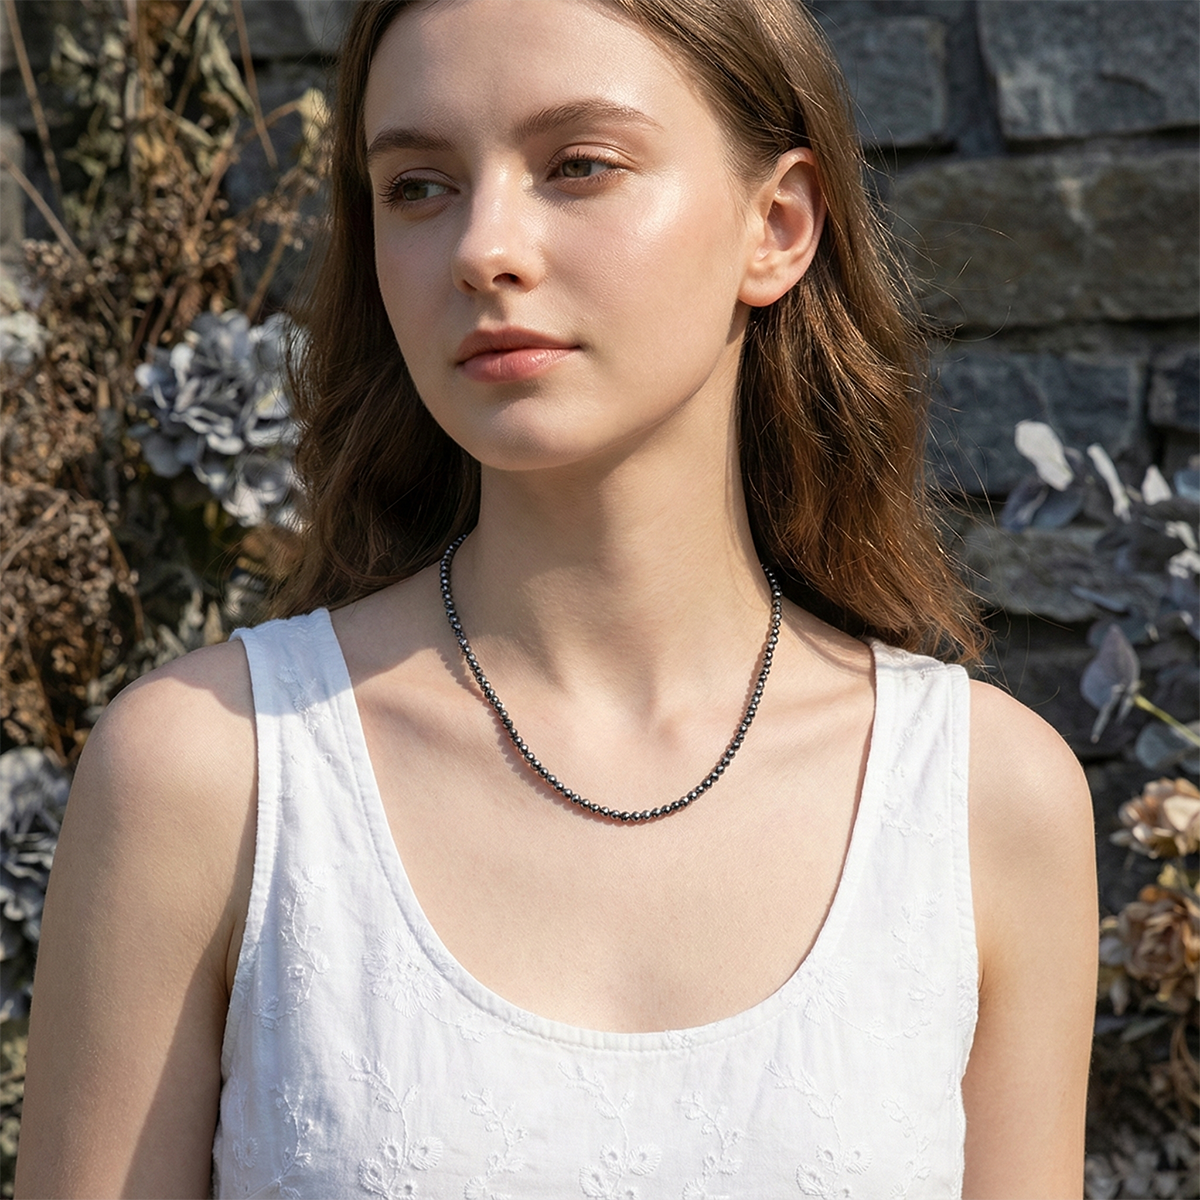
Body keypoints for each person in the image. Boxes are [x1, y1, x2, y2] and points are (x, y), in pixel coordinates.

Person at [16, 0, 1097, 1195]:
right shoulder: (211, 774)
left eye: (580, 166)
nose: (485, 247)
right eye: (417, 186)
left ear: (776, 226)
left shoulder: (984, 804)